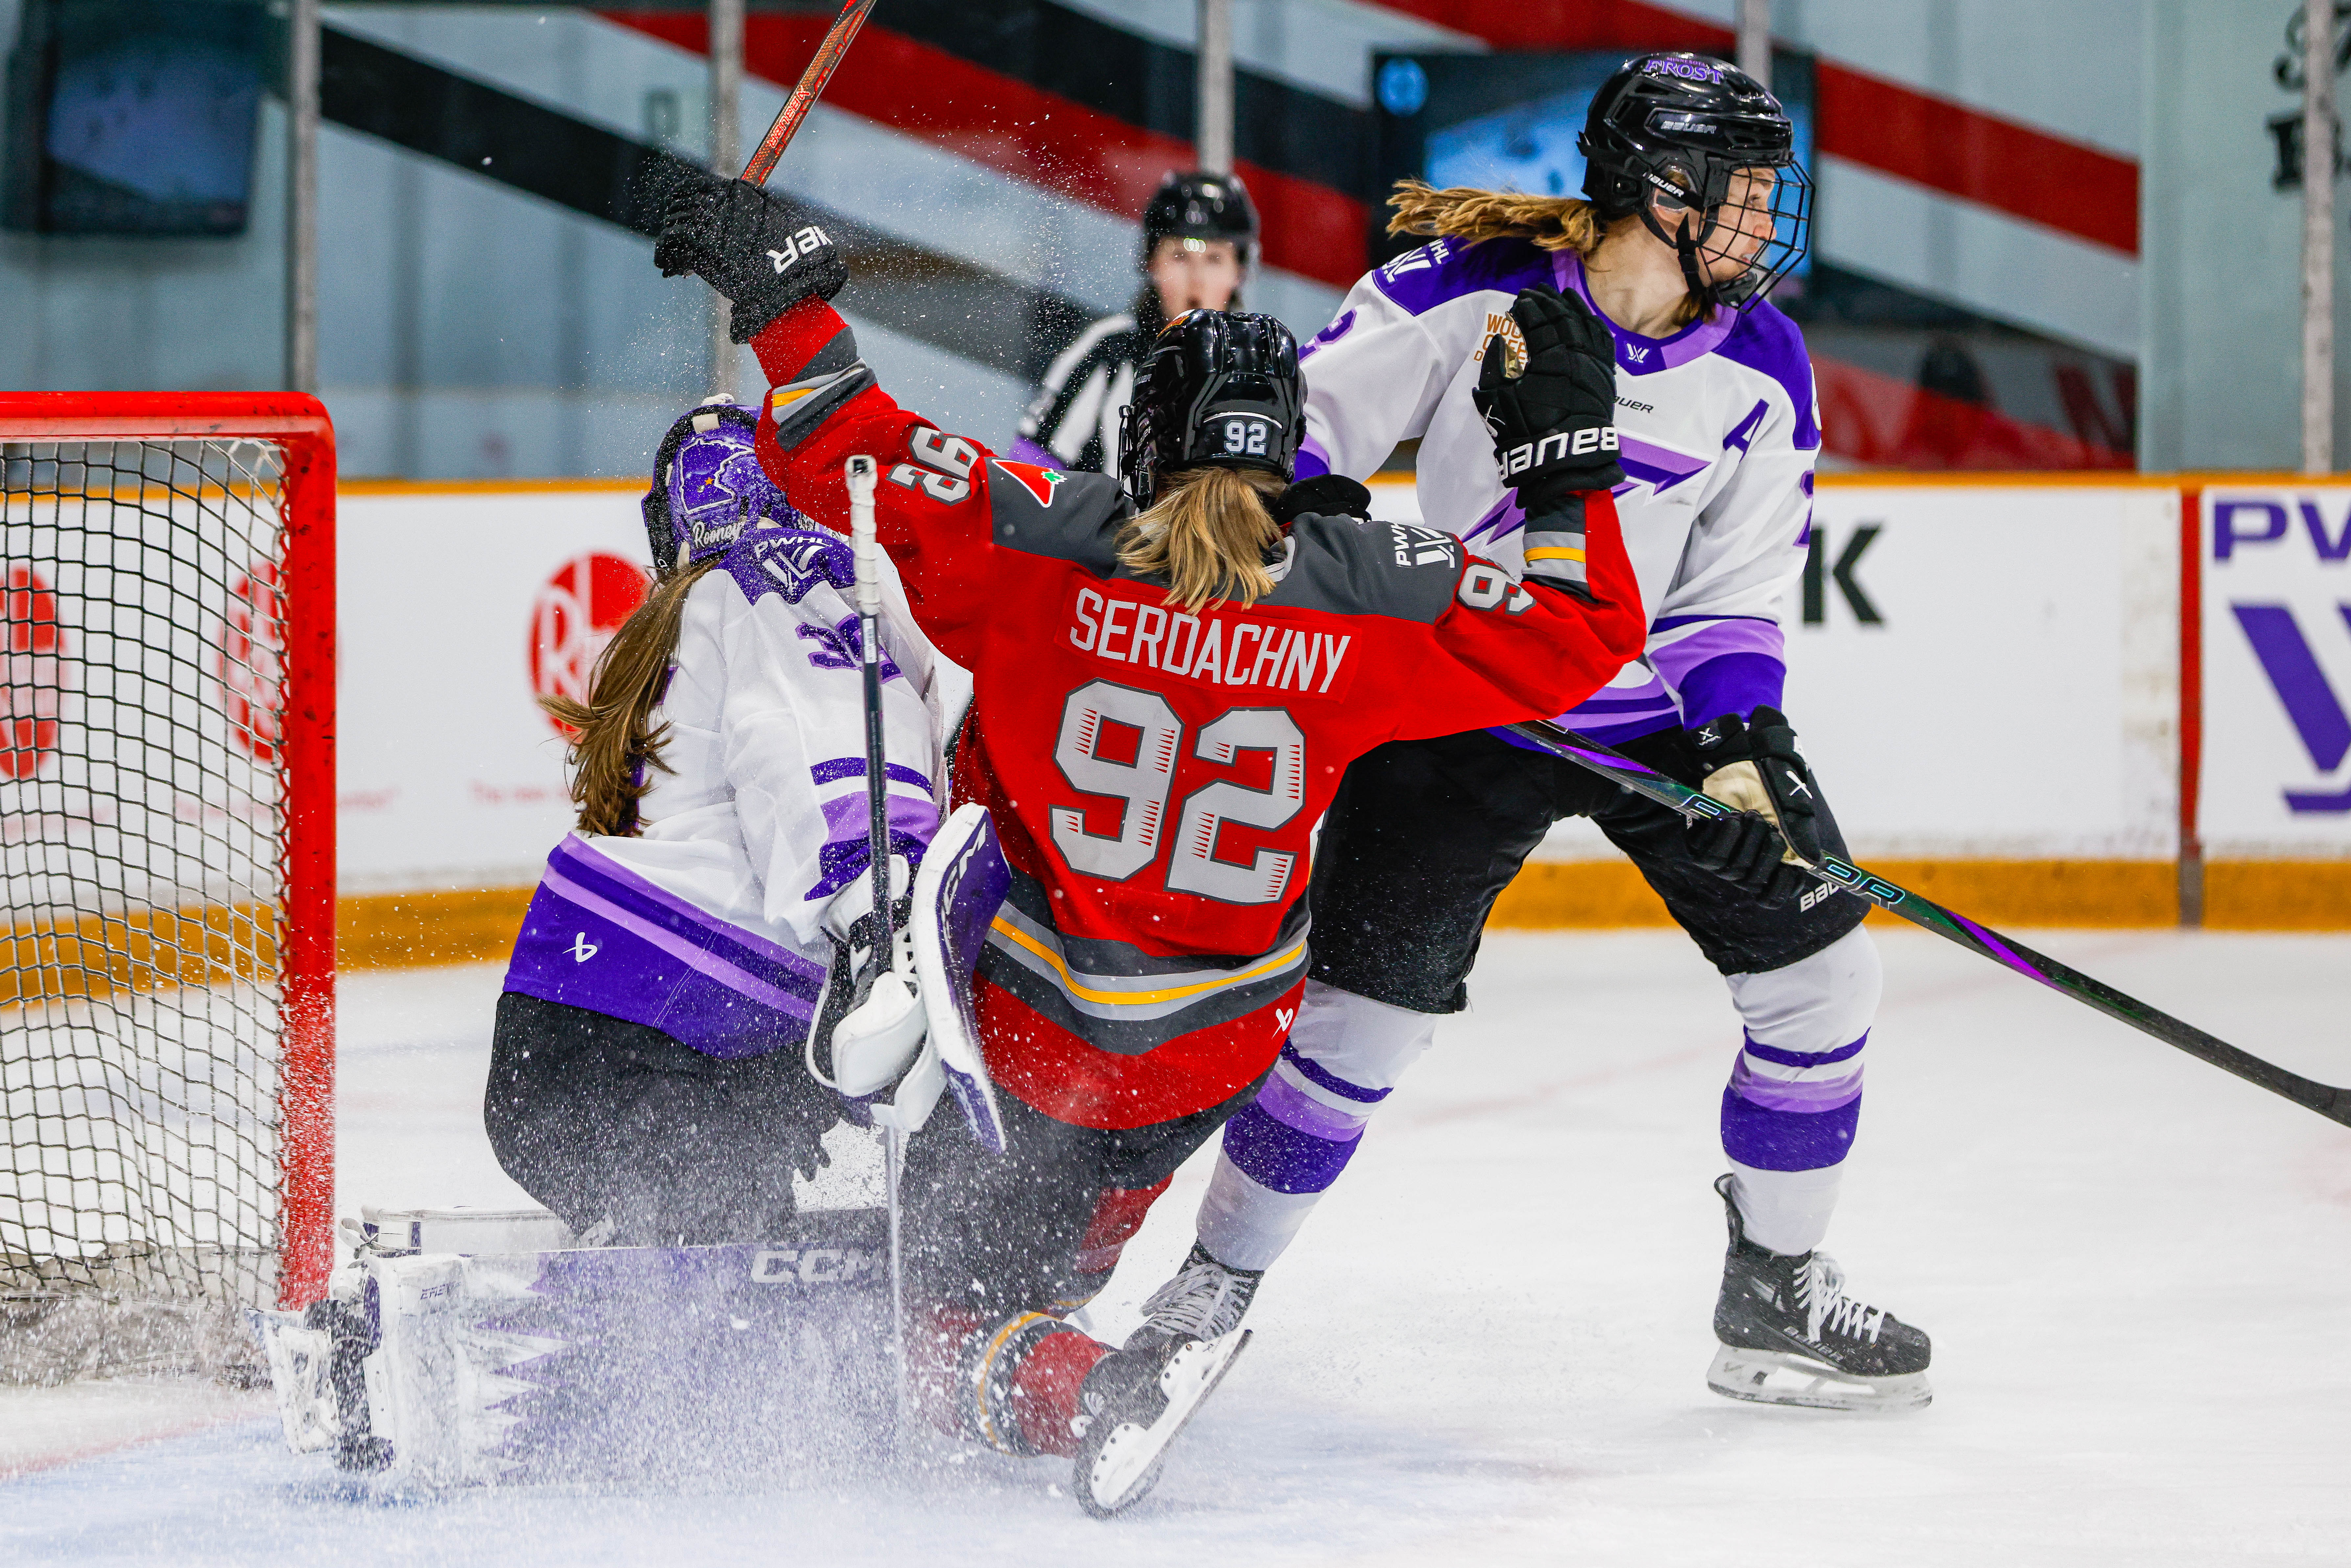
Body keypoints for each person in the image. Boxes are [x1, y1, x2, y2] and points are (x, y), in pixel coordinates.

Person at [650, 164, 1647, 1511]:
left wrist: (787, 297)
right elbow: (1581, 631)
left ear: (1145, 436)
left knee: (928, 1330)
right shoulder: (1370, 585)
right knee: (1044, 1252)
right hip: (1211, 1057)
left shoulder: (1043, 533)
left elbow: (851, 446)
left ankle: (1094, 1385)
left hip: (1033, 1039)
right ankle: (1058, 1309)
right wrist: (1567, 468)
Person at [1179, 52, 1934, 1412]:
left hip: (1651, 723)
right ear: (1665, 189)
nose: (1768, 217)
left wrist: (1742, 746)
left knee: (1825, 981)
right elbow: (1306, 431)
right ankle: (1210, 1285)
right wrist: (1298, 513)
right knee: (1357, 1024)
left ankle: (1774, 1289)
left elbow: (1729, 600)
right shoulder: (1469, 292)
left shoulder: (1764, 364)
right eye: (1746, 190)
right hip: (1468, 694)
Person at [483, 398, 963, 1248]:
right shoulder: (785, 578)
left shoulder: (685, 614)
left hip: (586, 1027)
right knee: (708, 1264)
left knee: (693, 1250)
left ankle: (635, 1278)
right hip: (675, 1029)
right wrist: (884, 921)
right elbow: (811, 737)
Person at [1010, 170, 1258, 480]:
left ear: (1239, 273)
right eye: (1180, 256)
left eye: (1215, 259)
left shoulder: (1262, 368)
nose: (1197, 280)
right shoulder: (1110, 348)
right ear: (1151, 262)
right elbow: (1029, 473)